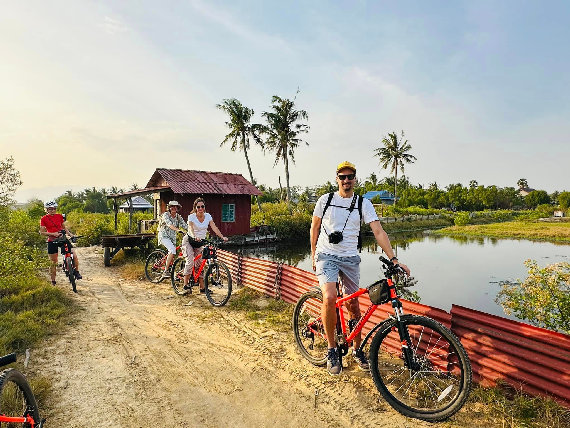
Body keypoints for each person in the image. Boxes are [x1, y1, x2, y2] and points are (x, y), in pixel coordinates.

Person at [310, 161, 410, 376]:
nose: (346, 180)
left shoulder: (363, 204)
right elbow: (315, 227)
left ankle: (357, 349)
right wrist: (313, 255)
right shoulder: (325, 200)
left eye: (350, 176)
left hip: (350, 259)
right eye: (342, 177)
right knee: (329, 298)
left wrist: (393, 259)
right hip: (326, 255)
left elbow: (378, 231)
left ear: (355, 179)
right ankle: (332, 350)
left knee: (353, 304)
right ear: (337, 179)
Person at [181, 197, 228, 293]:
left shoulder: (208, 216)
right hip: (189, 241)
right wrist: (194, 236)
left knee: (200, 264)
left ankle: (202, 288)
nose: (200, 209)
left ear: (204, 207)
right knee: (190, 262)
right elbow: (190, 228)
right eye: (198, 207)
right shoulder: (192, 217)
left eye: (202, 206)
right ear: (195, 208)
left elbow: (214, 227)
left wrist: (222, 237)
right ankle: (185, 286)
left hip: (200, 243)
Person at [39, 200, 82, 285]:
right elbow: (42, 232)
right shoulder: (44, 219)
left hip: (62, 239)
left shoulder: (59, 216)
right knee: (53, 262)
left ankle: (76, 272)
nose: (52, 210)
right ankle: (53, 281)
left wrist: (71, 234)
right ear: (47, 210)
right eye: (50, 209)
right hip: (52, 241)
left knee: (74, 254)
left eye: (54, 209)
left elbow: (64, 228)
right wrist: (53, 234)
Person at [157, 200, 187, 279]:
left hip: (172, 238)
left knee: (174, 253)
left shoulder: (178, 217)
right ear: (169, 208)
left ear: (177, 208)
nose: (174, 208)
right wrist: (178, 230)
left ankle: (173, 272)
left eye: (175, 206)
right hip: (164, 236)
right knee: (172, 250)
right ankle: (165, 271)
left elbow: (185, 225)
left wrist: (193, 231)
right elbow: (169, 224)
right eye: (172, 206)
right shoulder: (165, 215)